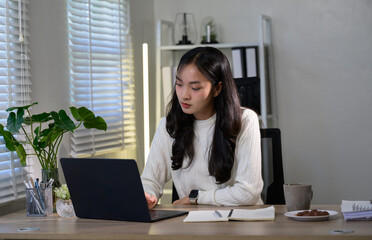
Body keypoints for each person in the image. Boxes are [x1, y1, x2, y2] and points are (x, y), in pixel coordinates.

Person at [141, 47, 263, 208]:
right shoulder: (169, 125)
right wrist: (147, 195)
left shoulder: (246, 120)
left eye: (195, 88)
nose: (184, 95)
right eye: (179, 84)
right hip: (191, 223)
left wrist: (196, 198)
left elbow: (248, 192)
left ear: (217, 89)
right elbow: (150, 181)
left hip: (240, 221)